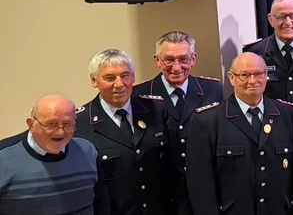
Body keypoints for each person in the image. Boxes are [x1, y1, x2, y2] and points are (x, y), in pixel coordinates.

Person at [185, 53, 293, 215]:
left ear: (266, 76)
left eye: (258, 74)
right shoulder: (208, 121)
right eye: (244, 75)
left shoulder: (288, 114)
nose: (252, 81)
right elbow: (201, 186)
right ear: (231, 78)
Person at [75, 49, 176, 215]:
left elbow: (170, 165)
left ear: (133, 77)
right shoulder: (81, 122)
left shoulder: (155, 109)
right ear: (94, 81)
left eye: (125, 75)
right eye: (110, 78)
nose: (119, 84)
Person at [132, 30, 221, 205]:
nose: (176, 67)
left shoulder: (212, 89)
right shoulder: (140, 94)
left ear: (193, 59)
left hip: (203, 187)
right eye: (169, 59)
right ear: (157, 61)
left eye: (183, 59)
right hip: (162, 192)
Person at [0, 95, 104, 215]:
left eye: (67, 124)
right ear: (31, 124)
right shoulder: (3, 156)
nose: (60, 132)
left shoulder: (88, 151)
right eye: (51, 124)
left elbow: (101, 203)